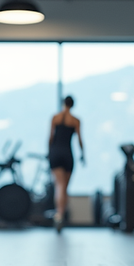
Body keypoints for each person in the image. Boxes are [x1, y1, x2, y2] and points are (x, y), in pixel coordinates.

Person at [47, 95, 84, 232]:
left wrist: (49, 153)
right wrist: (83, 154)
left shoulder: (55, 118)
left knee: (59, 186)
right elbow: (80, 140)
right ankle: (61, 214)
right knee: (64, 187)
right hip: (67, 154)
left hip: (56, 153)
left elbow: (50, 138)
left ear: (63, 103)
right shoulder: (75, 121)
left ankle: (59, 214)